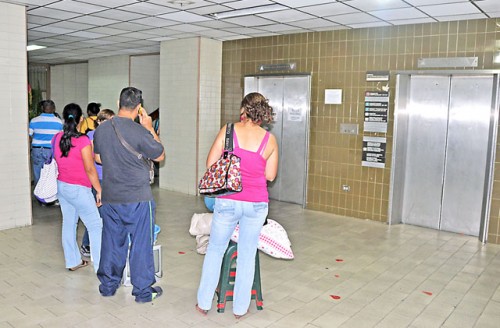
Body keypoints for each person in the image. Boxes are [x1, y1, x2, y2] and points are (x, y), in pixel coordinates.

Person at [196, 92, 278, 318]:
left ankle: (203, 303)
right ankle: (240, 308)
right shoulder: (269, 140)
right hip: (256, 204)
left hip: (229, 201)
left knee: (215, 249)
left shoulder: (229, 131)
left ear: (244, 109)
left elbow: (210, 163)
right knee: (247, 253)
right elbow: (270, 175)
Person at [94, 87, 165, 303]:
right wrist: (150, 128)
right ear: (139, 107)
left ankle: (108, 286)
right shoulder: (140, 131)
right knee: (141, 243)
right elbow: (160, 155)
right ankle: (143, 292)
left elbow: (98, 158)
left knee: (111, 242)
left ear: (118, 102)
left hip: (111, 196)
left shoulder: (102, 129)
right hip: (138, 198)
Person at [52, 103, 103, 272]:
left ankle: (72, 261)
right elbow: (90, 169)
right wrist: (99, 190)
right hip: (79, 189)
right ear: (81, 119)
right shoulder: (83, 141)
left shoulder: (57, 138)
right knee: (95, 225)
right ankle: (100, 266)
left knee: (69, 223)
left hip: (62, 186)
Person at [80, 109, 115, 259]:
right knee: (97, 214)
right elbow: (95, 158)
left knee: (108, 213)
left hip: (110, 178)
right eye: (108, 121)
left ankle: (103, 243)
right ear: (99, 121)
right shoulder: (91, 135)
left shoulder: (113, 135)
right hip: (98, 179)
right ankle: (86, 244)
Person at [29, 100, 63, 189]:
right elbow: (60, 138)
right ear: (54, 109)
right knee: (51, 173)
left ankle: (39, 195)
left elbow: (29, 136)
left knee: (37, 173)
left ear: (42, 108)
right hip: (51, 150)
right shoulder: (59, 122)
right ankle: (49, 196)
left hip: (36, 149)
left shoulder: (34, 121)